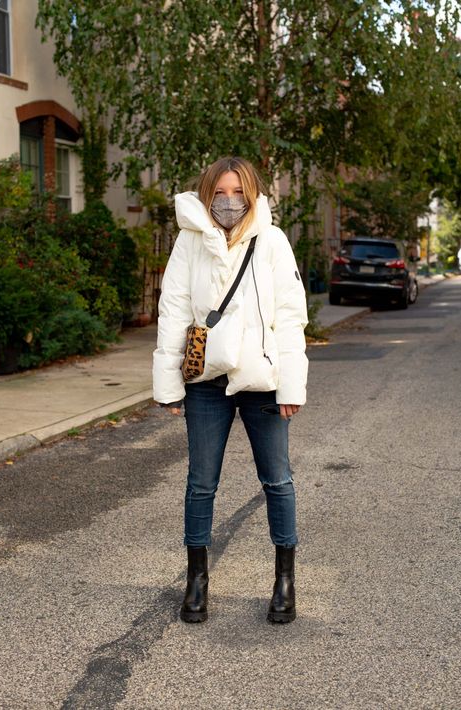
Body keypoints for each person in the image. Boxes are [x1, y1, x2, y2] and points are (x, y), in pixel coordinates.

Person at [153, 156, 308, 624]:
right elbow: (174, 310)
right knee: (201, 483)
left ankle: (284, 580)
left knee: (277, 481)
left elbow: (290, 315)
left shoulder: (273, 241)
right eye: (220, 192)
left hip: (261, 381)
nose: (229, 201)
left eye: (238, 192)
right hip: (205, 383)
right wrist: (169, 387)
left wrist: (291, 386)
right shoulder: (190, 241)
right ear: (207, 194)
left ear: (253, 195)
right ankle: (197, 579)